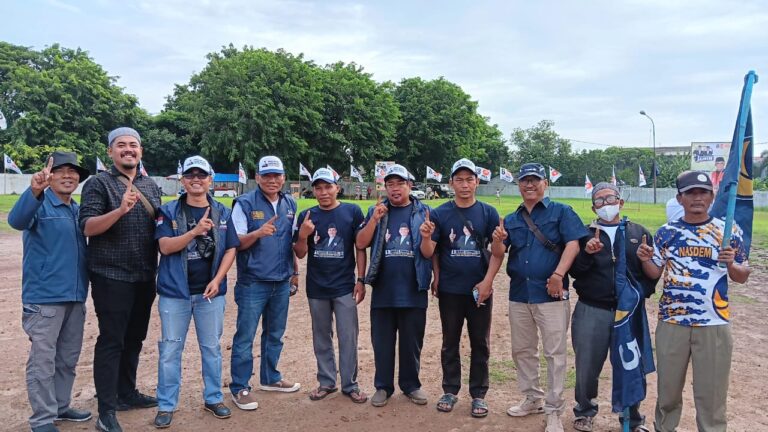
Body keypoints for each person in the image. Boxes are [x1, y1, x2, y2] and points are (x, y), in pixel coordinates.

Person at [637, 171, 750, 432]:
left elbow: (742, 276)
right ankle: (664, 427)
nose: (697, 198)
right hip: (672, 321)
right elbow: (655, 272)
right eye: (691, 193)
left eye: (703, 192)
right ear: (680, 198)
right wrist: (644, 258)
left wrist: (731, 262)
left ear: (712, 196)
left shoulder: (728, 231)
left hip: (714, 322)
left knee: (711, 392)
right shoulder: (667, 233)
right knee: (668, 389)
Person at [79, 127, 162, 432]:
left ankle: (127, 393)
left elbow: (161, 228)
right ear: (111, 152)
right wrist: (119, 211)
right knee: (112, 341)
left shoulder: (150, 186)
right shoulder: (98, 184)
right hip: (110, 276)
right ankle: (106, 410)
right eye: (122, 145)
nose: (128, 150)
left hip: (144, 276)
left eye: (133, 145)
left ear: (140, 151)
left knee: (135, 338)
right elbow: (87, 226)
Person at [500, 163, 589, 432]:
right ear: (518, 184)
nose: (530, 185)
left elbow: (573, 244)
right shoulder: (512, 218)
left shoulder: (561, 212)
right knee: (522, 350)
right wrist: (497, 239)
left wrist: (558, 274)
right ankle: (532, 397)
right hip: (519, 293)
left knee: (555, 354)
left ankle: (554, 410)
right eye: (525, 180)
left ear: (545, 184)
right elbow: (498, 252)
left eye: (535, 180)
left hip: (551, 294)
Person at [151, 156, 239, 428]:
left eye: (202, 175)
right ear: (183, 180)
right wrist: (194, 232)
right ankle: (166, 404)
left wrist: (219, 278)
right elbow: (164, 246)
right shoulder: (167, 211)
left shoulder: (222, 211)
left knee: (211, 348)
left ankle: (213, 397)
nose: (196, 180)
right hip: (174, 293)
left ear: (210, 180)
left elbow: (231, 248)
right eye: (191, 175)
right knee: (170, 351)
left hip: (210, 293)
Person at [9, 152, 92, 432]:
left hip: (75, 297)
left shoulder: (77, 209)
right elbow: (16, 221)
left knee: (67, 359)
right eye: (61, 171)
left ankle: (60, 406)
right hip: (44, 299)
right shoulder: (39, 204)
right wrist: (34, 190)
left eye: (73, 171)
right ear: (50, 175)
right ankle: (42, 419)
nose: (68, 176)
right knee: (43, 362)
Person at [567, 183, 659, 432]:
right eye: (599, 200)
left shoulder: (639, 233)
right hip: (592, 309)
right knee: (587, 363)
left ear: (621, 202)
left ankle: (633, 417)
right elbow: (575, 272)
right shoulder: (584, 235)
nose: (605, 204)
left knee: (630, 364)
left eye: (610, 198)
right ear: (593, 207)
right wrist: (586, 253)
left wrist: (638, 294)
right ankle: (585, 411)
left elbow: (650, 276)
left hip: (628, 313)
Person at [419, 158, 505, 418]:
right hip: (450, 289)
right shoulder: (439, 213)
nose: (465, 185)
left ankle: (478, 394)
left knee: (480, 342)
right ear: (451, 183)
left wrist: (488, 281)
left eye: (470, 179)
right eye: (459, 180)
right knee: (450, 341)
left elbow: (498, 253)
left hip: (480, 289)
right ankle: (450, 389)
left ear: (477, 182)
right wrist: (425, 238)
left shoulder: (488, 213)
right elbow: (429, 252)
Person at [356, 164, 433, 408]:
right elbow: (360, 243)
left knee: (412, 342)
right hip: (384, 289)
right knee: (382, 342)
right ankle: (383, 386)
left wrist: (428, 236)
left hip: (414, 288)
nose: (395, 188)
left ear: (410, 186)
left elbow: (430, 253)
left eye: (400, 183)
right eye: (390, 184)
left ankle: (411, 385)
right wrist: (374, 221)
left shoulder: (424, 212)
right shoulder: (376, 210)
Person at [229, 155, 300, 411]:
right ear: (257, 177)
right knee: (245, 336)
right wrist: (257, 233)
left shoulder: (290, 203)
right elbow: (235, 243)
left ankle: (270, 377)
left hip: (281, 281)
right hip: (253, 282)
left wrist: (295, 272)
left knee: (275, 334)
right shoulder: (244, 203)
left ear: (283, 177)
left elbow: (291, 242)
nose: (272, 180)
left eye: (277, 175)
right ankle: (240, 386)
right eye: (266, 175)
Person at [293, 168, 368, 404]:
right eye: (318, 188)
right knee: (321, 336)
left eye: (328, 187)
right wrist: (303, 235)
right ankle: (326, 381)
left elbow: (359, 247)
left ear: (337, 187)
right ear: (313, 190)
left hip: (344, 285)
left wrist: (360, 279)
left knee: (348, 336)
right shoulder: (306, 214)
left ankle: (350, 383)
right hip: (317, 286)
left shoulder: (351, 211)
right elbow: (300, 253)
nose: (323, 192)